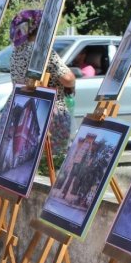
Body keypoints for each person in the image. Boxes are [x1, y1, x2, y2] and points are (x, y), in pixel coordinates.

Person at [8, 9, 77, 154]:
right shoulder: (41, 51)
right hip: (48, 112)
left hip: (21, 107)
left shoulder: (16, 51)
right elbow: (68, 79)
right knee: (51, 157)